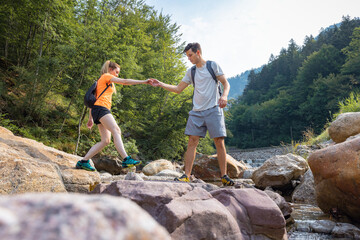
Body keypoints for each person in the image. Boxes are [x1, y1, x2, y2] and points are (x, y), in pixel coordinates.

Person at [149, 42, 234, 186]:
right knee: (191, 142)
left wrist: (224, 96)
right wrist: (161, 84)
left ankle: (224, 176)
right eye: (187, 56)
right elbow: (177, 89)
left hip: (214, 108)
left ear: (198, 53)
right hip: (196, 112)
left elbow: (226, 83)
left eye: (190, 55)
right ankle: (186, 175)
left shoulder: (212, 66)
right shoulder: (191, 71)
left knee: (219, 142)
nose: (189, 58)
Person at [76, 60, 150, 171]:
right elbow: (124, 81)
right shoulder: (106, 76)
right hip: (101, 109)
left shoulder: (102, 81)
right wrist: (144, 81)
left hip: (98, 110)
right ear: (110, 70)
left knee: (105, 140)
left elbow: (94, 100)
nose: (117, 75)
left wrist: (90, 118)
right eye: (116, 72)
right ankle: (126, 159)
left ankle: (83, 161)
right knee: (116, 130)